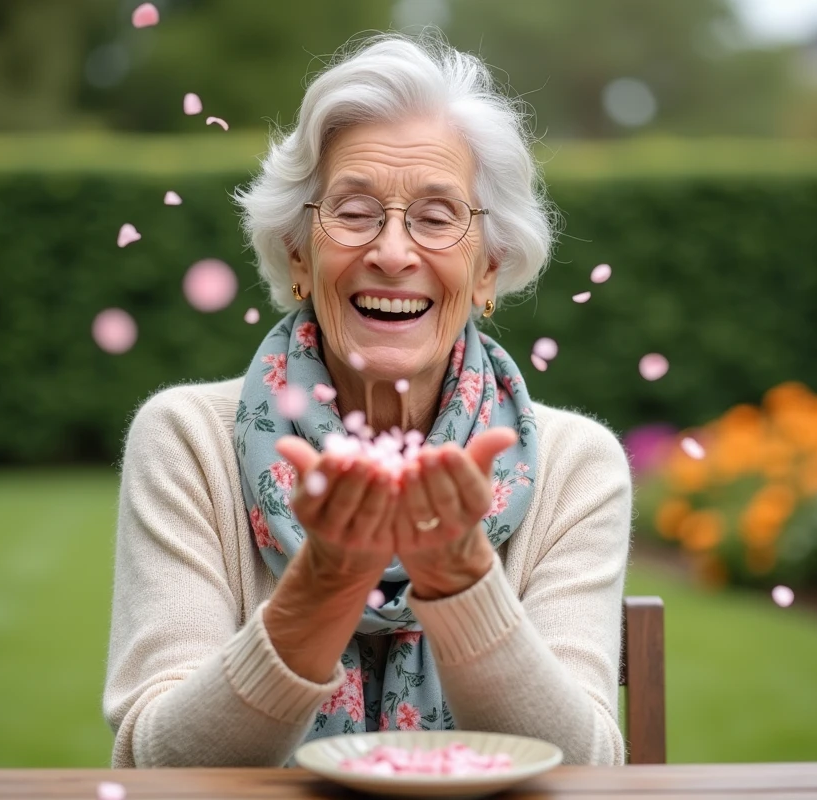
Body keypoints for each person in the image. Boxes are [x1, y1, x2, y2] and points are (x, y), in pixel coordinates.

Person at [102, 30, 633, 768]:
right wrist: (322, 589)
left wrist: (461, 581)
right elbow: (157, 761)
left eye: (438, 216)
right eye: (353, 211)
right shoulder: (187, 440)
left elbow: (589, 766)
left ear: (490, 268)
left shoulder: (577, 465)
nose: (392, 251)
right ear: (297, 252)